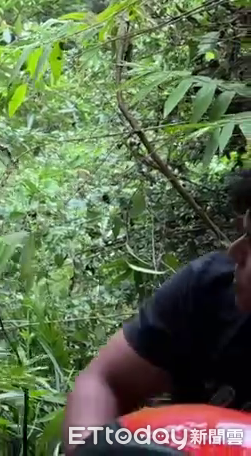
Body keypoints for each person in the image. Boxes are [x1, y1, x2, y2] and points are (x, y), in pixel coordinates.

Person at [62, 169, 251, 452]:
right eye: (243, 232)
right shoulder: (208, 292)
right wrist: (89, 448)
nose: (236, 252)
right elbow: (104, 380)